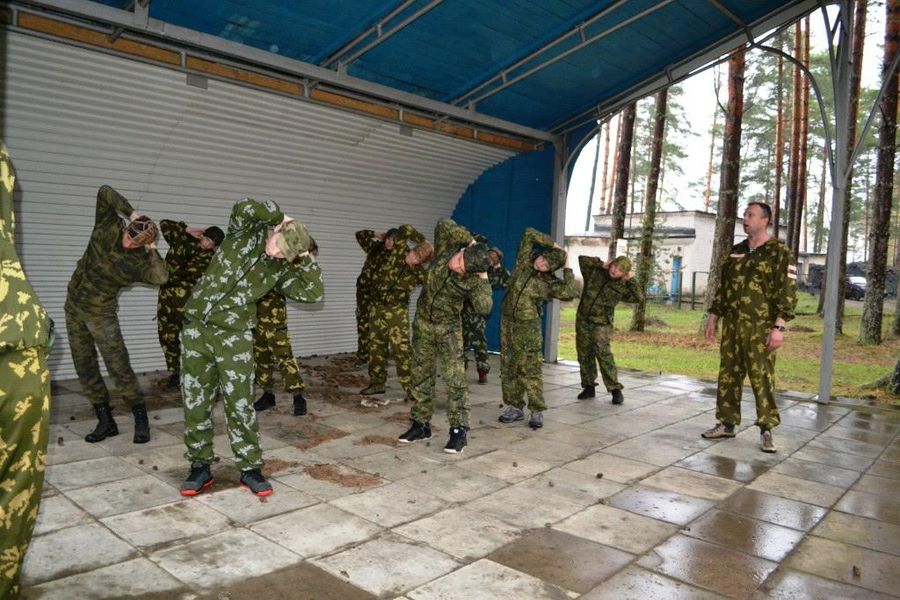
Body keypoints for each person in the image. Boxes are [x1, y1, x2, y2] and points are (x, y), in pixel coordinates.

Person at [179, 199, 323, 497]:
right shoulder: (245, 231)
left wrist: (306, 255)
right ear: (277, 230)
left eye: (287, 253)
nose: (279, 253)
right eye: (281, 244)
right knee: (196, 401)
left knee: (240, 404)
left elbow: (313, 293)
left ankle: (250, 468)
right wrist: (284, 217)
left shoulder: (278, 270)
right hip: (196, 330)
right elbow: (245, 204)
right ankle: (199, 466)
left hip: (234, 337)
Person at [65, 185, 169, 444]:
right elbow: (104, 192)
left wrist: (152, 249)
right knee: (84, 366)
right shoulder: (107, 227)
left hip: (101, 314)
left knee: (119, 367)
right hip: (74, 308)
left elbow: (161, 276)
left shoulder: (139, 263)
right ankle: (105, 420)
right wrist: (132, 213)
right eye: (129, 235)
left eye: (135, 242)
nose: (128, 241)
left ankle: (140, 417)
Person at [702, 202, 797, 453]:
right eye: (744, 215)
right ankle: (726, 423)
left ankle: (766, 430)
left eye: (750, 215)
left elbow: (787, 292)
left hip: (761, 328)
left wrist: (779, 327)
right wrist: (714, 315)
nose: (745, 219)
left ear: (764, 220)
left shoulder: (779, 252)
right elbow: (723, 288)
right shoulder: (736, 251)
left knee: (761, 378)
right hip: (733, 326)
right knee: (729, 375)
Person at [0, 142, 52, 600]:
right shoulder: (104, 235)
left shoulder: (141, 255)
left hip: (20, 343)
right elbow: (107, 195)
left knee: (17, 476)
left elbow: (156, 274)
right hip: (44, 326)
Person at [398, 219, 492, 453]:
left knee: (455, 381)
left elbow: (484, 307)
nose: (458, 268)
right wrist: (470, 240)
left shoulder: (473, 277)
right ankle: (421, 425)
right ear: (463, 250)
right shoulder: (446, 247)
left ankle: (458, 432)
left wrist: (483, 278)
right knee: (420, 375)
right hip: (422, 325)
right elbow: (442, 224)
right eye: (460, 261)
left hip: (448, 330)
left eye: (463, 269)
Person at [498, 229, 577, 429]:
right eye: (542, 259)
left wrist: (567, 265)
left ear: (551, 269)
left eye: (547, 265)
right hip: (507, 324)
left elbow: (570, 292)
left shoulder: (549, 283)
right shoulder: (524, 261)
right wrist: (554, 245)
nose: (540, 264)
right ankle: (515, 407)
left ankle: (536, 410)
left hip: (528, 328)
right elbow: (528, 234)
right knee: (509, 367)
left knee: (530, 370)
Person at [360, 225, 432, 400]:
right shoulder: (397, 252)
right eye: (413, 253)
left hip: (396, 312)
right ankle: (377, 383)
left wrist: (418, 263)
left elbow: (429, 284)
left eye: (417, 257)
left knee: (402, 351)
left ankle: (411, 388)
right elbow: (405, 229)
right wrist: (423, 241)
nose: (412, 257)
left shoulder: (419, 273)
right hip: (377, 308)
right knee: (375, 348)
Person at [253, 238, 319, 416]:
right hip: (256, 320)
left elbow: (305, 267)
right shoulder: (260, 261)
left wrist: (305, 251)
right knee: (261, 360)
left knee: (285, 359)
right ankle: (267, 395)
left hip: (275, 322)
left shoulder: (285, 263)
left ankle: (298, 397)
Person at [157, 219, 224, 390]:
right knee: (167, 338)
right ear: (203, 235)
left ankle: (196, 373)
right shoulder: (182, 238)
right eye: (207, 239)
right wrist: (185, 229)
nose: (208, 245)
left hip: (187, 305)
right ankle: (174, 373)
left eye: (212, 244)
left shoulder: (208, 259)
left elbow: (192, 276)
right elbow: (164, 224)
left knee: (192, 340)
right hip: (166, 301)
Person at [575, 255, 642, 405]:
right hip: (583, 320)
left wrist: (631, 280)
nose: (614, 270)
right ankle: (588, 386)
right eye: (614, 266)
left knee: (603, 354)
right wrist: (601, 264)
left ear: (624, 273)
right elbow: (582, 259)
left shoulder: (623, 286)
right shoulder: (595, 273)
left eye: (619, 270)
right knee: (584, 353)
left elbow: (639, 297)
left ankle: (615, 389)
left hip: (601, 323)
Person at [462, 244, 509, 384]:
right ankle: (459, 370)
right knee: (460, 343)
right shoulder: (474, 266)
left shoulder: (492, 275)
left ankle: (482, 372)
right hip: (463, 310)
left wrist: (498, 268)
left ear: (497, 261)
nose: (490, 257)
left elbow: (506, 282)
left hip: (478, 313)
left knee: (480, 344)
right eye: (489, 254)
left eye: (494, 257)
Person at [354, 228, 393, 366]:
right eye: (388, 239)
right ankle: (363, 356)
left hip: (380, 296)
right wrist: (377, 234)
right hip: (364, 293)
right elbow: (359, 234)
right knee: (363, 324)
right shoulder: (374, 248)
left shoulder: (398, 256)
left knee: (380, 327)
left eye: (393, 240)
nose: (389, 242)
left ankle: (381, 357)